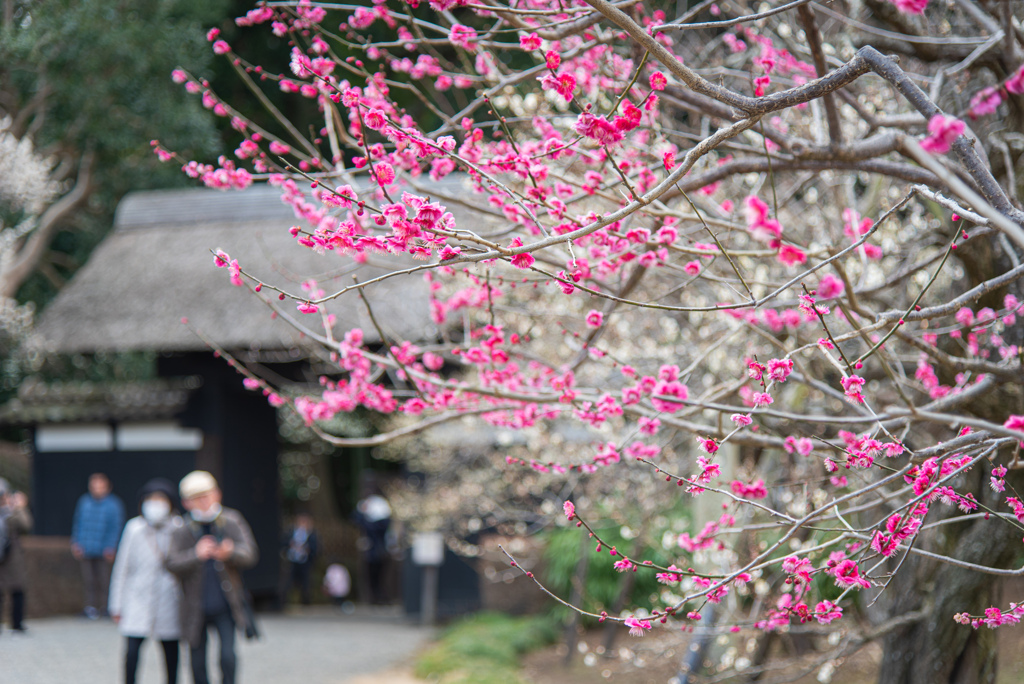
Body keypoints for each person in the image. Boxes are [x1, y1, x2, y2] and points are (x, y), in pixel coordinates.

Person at [166, 471, 257, 684]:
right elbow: (171, 562)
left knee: (228, 656)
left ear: (217, 494)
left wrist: (230, 552)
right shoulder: (182, 527)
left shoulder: (231, 520)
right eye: (196, 498)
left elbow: (251, 554)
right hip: (194, 605)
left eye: (206, 495)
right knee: (197, 662)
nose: (203, 502)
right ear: (186, 502)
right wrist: (195, 555)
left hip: (226, 603)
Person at [109, 479, 183, 684]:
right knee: (132, 650)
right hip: (136, 597)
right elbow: (121, 568)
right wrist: (116, 604)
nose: (155, 504)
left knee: (170, 650)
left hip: (169, 598)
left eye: (160, 499)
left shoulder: (179, 527)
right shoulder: (134, 528)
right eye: (150, 499)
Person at [71, 472, 125, 619]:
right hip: (86, 547)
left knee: (105, 580)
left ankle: (106, 608)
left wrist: (111, 546)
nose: (97, 488)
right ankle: (90, 608)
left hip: (104, 549)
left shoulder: (114, 504)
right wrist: (76, 542)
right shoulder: (84, 502)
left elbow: (116, 527)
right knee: (89, 580)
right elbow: (78, 523)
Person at [0, 478, 32, 634]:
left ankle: (17, 624)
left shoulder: (12, 512)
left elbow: (26, 525)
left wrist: (19, 507)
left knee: (17, 589)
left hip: (12, 558)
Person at [352, 483, 392, 605]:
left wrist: (367, 521)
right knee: (370, 574)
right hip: (369, 548)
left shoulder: (381, 506)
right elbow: (355, 520)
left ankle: (381, 596)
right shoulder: (363, 506)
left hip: (380, 547)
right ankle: (373, 597)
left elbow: (380, 527)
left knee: (380, 574)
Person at [281, 513, 318, 606]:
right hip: (292, 560)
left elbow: (315, 548)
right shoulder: (290, 532)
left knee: (305, 582)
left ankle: (306, 602)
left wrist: (307, 549)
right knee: (288, 582)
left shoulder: (312, 534)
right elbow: (283, 543)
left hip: (305, 561)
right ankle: (284, 602)